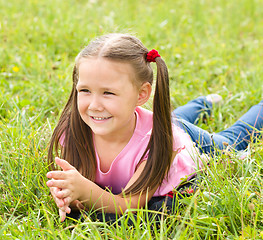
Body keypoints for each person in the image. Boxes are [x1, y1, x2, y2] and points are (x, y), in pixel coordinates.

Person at [46, 33, 263, 223]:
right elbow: (79, 189)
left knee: (228, 142)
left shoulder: (158, 144)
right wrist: (70, 197)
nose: (94, 105)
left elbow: (128, 206)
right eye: (85, 90)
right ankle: (201, 104)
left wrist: (85, 190)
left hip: (181, 138)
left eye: (108, 93)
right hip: (152, 124)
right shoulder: (76, 130)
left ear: (141, 94)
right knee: (168, 119)